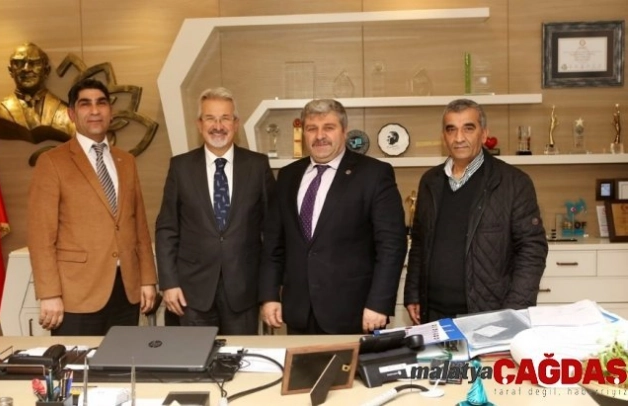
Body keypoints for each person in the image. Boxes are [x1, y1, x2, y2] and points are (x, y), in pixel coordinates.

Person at [259, 99, 407, 335]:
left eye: (328, 127)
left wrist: (379, 303)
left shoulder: (374, 174)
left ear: (344, 131)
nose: (320, 136)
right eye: (312, 128)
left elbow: (391, 246)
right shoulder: (287, 176)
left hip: (354, 314)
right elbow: (273, 244)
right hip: (298, 312)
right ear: (303, 133)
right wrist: (269, 296)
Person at [27, 78, 157, 335]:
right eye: (85, 104)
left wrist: (148, 279)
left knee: (122, 359)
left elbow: (138, 225)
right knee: (77, 361)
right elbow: (41, 235)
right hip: (76, 294)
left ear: (110, 111)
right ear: (72, 114)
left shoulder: (126, 161)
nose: (95, 110)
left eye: (101, 103)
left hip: (126, 291)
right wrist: (49, 293)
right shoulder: (52, 162)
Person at [404, 98, 548, 325]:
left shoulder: (514, 182)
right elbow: (419, 244)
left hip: (489, 316)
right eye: (451, 129)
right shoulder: (430, 181)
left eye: (468, 128)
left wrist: (514, 312)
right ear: (444, 136)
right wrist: (413, 292)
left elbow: (532, 251)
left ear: (484, 134)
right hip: (433, 315)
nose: (459, 138)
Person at [155, 87, 275, 335]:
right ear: (199, 124)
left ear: (236, 124)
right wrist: (169, 283)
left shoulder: (257, 166)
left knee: (242, 356)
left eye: (225, 118)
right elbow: (167, 228)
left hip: (243, 292)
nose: (218, 126)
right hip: (191, 293)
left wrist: (269, 292)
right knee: (194, 357)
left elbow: (272, 232)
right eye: (210, 118)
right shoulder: (180, 167)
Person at [0, 42, 75, 143]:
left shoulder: (67, 114)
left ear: (46, 71)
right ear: (10, 71)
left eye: (35, 63)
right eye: (19, 63)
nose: (26, 69)